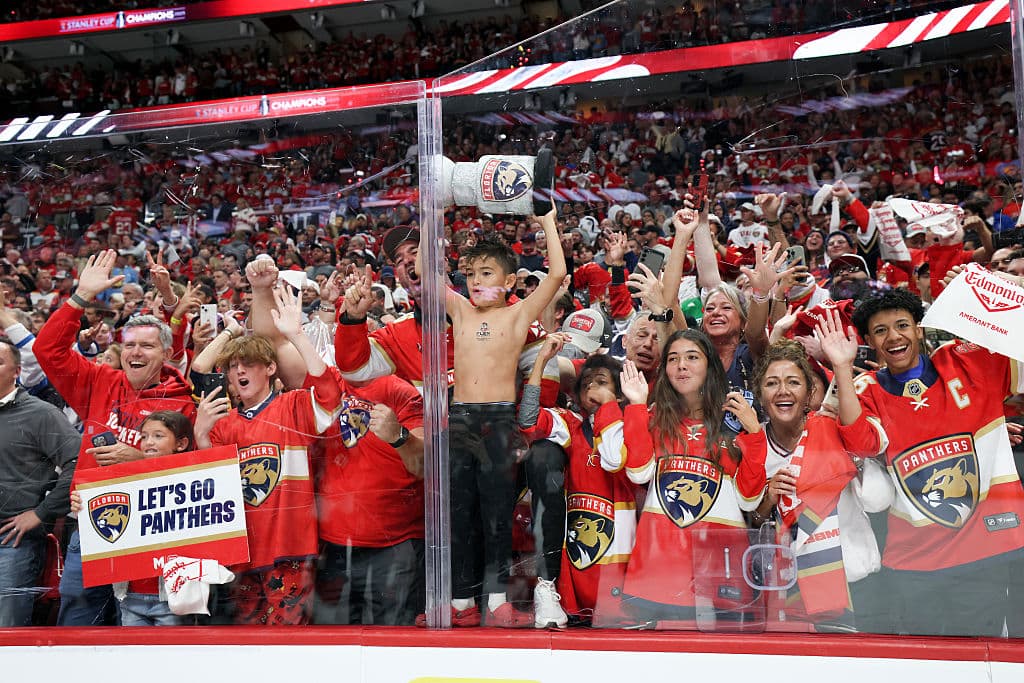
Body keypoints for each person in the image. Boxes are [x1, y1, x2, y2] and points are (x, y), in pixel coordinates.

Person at [34, 249, 195, 626]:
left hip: (151, 532)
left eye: (147, 346)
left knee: (135, 628)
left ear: (167, 352)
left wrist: (141, 462)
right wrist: (79, 297)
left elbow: (198, 476)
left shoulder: (185, 405)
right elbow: (46, 350)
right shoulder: (98, 382)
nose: (135, 353)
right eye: (130, 345)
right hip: (90, 524)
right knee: (77, 616)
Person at [851, 288, 1024, 636]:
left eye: (902, 325)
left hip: (984, 549)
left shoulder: (966, 362)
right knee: (927, 662)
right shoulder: (863, 390)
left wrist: (998, 294)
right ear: (869, 340)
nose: (894, 336)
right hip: (914, 557)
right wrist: (840, 366)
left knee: (979, 659)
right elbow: (860, 442)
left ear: (919, 329)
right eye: (881, 330)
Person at [439, 207, 567, 627]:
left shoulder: (517, 315)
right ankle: (461, 602)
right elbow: (425, 271)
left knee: (496, 514)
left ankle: (495, 599)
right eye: (471, 274)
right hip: (459, 420)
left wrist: (546, 222)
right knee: (458, 513)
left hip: (498, 421)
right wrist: (432, 218)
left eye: (487, 274)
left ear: (509, 281)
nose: (476, 281)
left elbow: (555, 275)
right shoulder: (458, 310)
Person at [194, 284, 342, 625]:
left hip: (289, 548)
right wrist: (201, 436)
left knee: (289, 644)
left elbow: (331, 395)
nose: (239, 371)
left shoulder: (293, 405)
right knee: (247, 646)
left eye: (248, 364)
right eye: (232, 367)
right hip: (240, 551)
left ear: (271, 369)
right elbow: (212, 492)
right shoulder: (222, 424)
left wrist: (298, 336)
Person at [732, 324, 892, 632]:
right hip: (790, 587)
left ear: (809, 392)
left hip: (854, 581)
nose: (783, 391)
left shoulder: (832, 428)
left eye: (793, 382)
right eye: (772, 383)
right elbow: (753, 520)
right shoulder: (751, 443)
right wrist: (769, 499)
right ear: (761, 394)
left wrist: (842, 366)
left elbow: (874, 483)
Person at [614, 329, 765, 627]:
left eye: (692, 357)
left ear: (710, 364)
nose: (681, 365)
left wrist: (755, 434)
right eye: (673, 358)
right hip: (659, 571)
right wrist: (635, 405)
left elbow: (749, 499)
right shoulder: (656, 418)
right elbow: (639, 471)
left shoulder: (732, 423)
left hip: (719, 572)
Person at [518, 334, 636, 627]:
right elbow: (529, 420)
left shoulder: (634, 425)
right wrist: (541, 362)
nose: (592, 388)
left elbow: (614, 459)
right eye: (586, 385)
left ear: (620, 393)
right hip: (581, 563)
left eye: (601, 382)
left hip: (620, 571)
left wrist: (609, 409)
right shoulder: (571, 426)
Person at [69, 411, 195, 626]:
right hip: (130, 595)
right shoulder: (121, 479)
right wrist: (82, 504)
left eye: (158, 436)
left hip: (172, 598)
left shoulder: (190, 480)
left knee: (171, 658)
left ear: (181, 444)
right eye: (144, 436)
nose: (148, 442)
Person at [0, 339, 80, 627]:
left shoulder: (41, 413)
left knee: (6, 631)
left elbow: (78, 461)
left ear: (17, 371)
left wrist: (42, 513)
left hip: (11, 540)